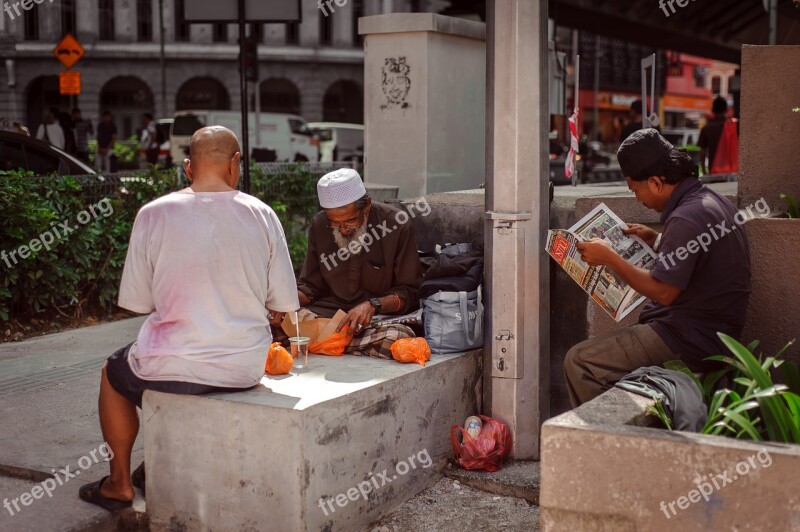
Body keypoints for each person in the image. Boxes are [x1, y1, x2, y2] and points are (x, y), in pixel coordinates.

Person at [77, 126, 299, 510]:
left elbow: (137, 303)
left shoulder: (153, 213)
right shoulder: (263, 214)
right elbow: (282, 302)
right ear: (236, 164)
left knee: (113, 374)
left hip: (170, 365)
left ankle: (118, 484)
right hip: (242, 367)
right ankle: (155, 463)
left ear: (186, 167)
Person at [564, 129, 751, 407]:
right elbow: (699, 253)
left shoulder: (687, 217)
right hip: (711, 333)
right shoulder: (711, 202)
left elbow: (663, 292)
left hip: (687, 339)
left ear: (655, 182)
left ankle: (617, 444)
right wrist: (659, 240)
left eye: (635, 189)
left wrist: (611, 258)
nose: (638, 198)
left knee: (580, 362)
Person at [270, 168, 422, 358]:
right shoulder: (320, 224)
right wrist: (284, 302)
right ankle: (337, 342)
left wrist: (372, 305)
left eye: (350, 221)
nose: (343, 229)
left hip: (375, 318)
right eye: (334, 223)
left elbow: (410, 291)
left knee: (398, 337)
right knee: (268, 325)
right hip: (329, 313)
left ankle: (325, 342)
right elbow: (310, 285)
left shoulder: (396, 225)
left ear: (366, 206)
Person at [698, 96, 738, 175]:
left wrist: (704, 171)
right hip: (733, 171)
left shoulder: (706, 128)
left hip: (714, 171)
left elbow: (702, 152)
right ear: (726, 109)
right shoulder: (735, 126)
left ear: (712, 110)